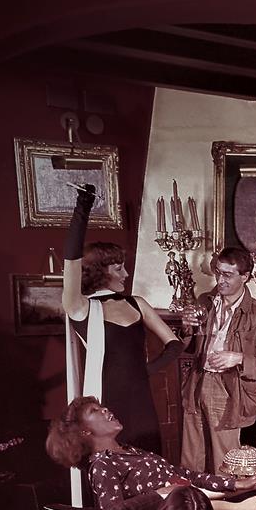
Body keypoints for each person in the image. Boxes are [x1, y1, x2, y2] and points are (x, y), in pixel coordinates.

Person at [62, 184, 181, 456]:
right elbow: (71, 262)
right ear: (100, 272)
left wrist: (146, 370)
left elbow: (175, 345)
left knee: (150, 460)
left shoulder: (136, 303)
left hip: (142, 403)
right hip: (106, 405)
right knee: (112, 465)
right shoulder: (81, 308)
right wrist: (82, 208)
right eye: (119, 268)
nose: (126, 274)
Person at [46, 397, 256, 510]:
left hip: (195, 501)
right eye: (94, 411)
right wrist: (159, 495)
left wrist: (235, 483)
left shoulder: (130, 451)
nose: (105, 409)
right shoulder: (102, 465)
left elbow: (185, 475)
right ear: (84, 432)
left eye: (101, 406)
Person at [178, 246, 256, 474]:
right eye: (218, 272)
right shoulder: (205, 302)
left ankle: (224, 497)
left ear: (245, 277)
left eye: (227, 274)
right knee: (191, 457)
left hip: (229, 389)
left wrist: (238, 358)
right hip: (197, 381)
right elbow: (188, 349)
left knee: (224, 462)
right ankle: (191, 496)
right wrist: (186, 329)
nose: (220, 280)